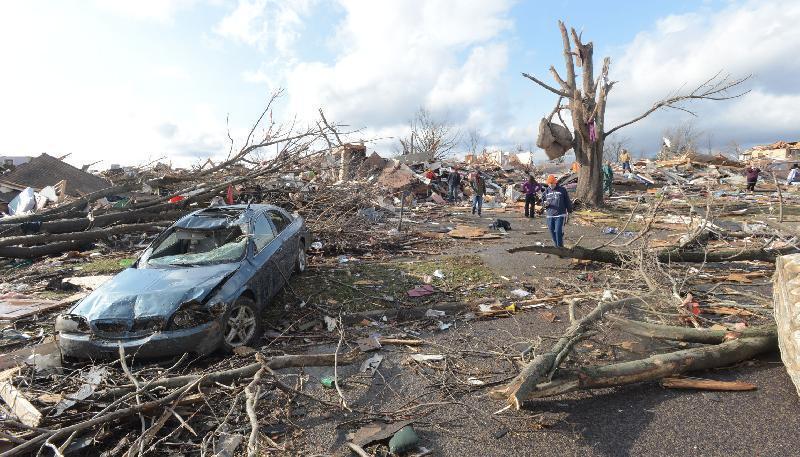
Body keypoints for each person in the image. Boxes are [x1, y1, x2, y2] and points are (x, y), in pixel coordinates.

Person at [543, 175, 572, 248]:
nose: (551, 185)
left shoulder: (562, 190)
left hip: (560, 214)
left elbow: (567, 201)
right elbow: (543, 203)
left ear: (555, 182)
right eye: (549, 184)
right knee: (552, 232)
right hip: (550, 215)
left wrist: (569, 211)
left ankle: (560, 248)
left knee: (558, 231)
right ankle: (556, 247)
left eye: (552, 183)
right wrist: (545, 204)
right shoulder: (546, 191)